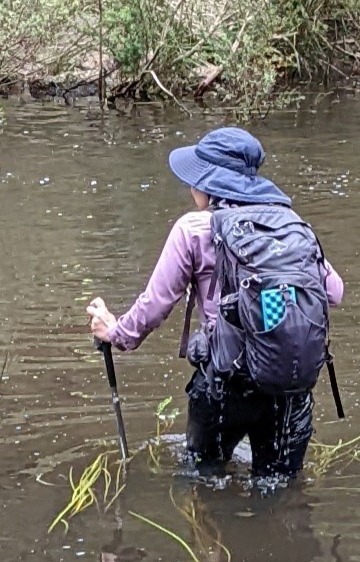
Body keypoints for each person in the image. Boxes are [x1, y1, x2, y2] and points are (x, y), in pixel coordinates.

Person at [88, 126, 344, 487]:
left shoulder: (193, 229)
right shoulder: (290, 226)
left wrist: (115, 332)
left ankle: (209, 541)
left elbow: (156, 304)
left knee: (203, 482)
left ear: (207, 185)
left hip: (226, 388)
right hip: (290, 390)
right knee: (280, 497)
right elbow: (334, 292)